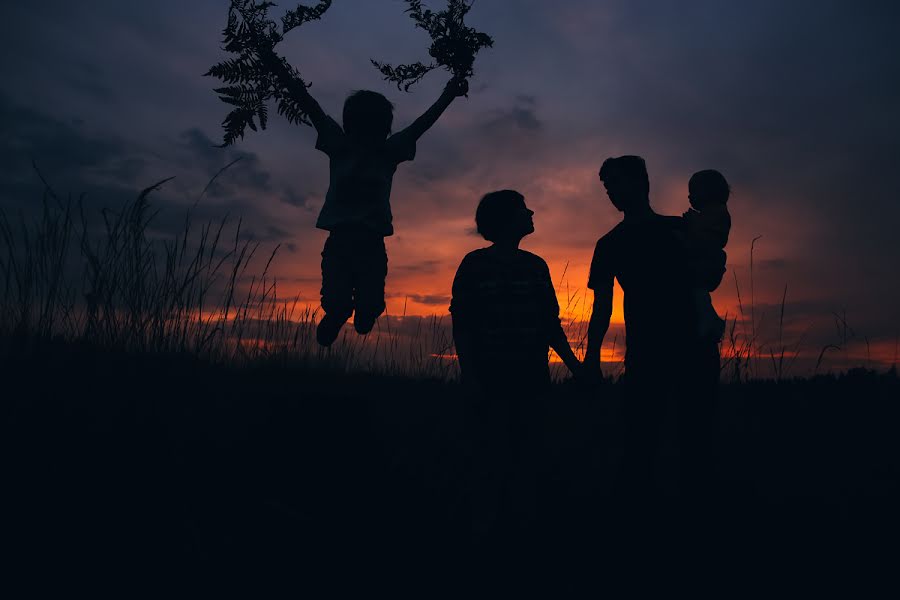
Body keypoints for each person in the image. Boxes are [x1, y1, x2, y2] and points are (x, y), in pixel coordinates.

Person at [277, 69, 469, 346]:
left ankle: (356, 313)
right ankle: (337, 315)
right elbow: (311, 109)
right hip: (341, 242)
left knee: (369, 309)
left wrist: (449, 94)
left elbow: (423, 123)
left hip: (370, 243)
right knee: (337, 300)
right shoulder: (342, 146)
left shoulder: (387, 151)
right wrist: (288, 81)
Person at [584, 156, 724, 501]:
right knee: (641, 442)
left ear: (641, 183)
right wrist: (590, 358)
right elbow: (602, 306)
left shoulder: (679, 228)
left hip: (693, 349)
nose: (611, 193)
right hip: (646, 354)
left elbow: (709, 278)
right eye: (606, 187)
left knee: (696, 440)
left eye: (616, 183)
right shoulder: (609, 244)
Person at [449, 190, 581, 539]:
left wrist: (575, 366)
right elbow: (462, 324)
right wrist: (471, 376)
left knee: (527, 453)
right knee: (489, 455)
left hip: (530, 376)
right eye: (524, 209)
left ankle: (522, 527)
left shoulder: (536, 265)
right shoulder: (474, 264)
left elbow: (550, 324)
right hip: (490, 376)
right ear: (506, 219)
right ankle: (485, 528)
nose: (531, 212)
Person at [682, 169, 731, 342]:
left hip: (706, 261)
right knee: (697, 291)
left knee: (697, 289)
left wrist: (692, 223)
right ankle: (708, 319)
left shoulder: (718, 213)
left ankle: (710, 321)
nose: (690, 197)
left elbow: (710, 238)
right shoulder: (711, 214)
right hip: (705, 260)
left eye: (693, 192)